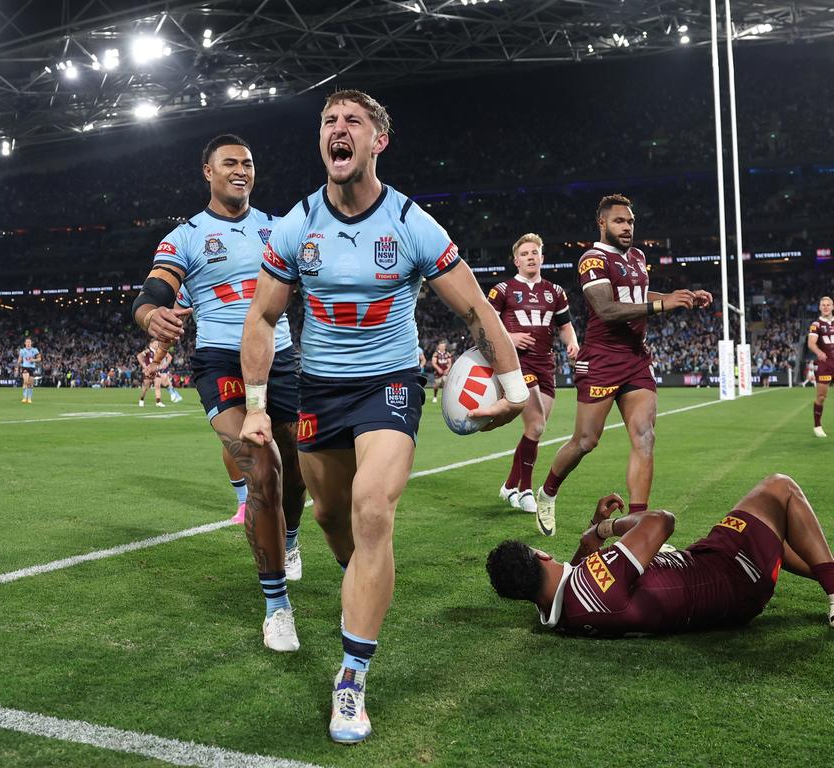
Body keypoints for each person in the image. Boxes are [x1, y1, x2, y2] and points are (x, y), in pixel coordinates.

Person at [239, 89, 527, 744]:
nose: (337, 130)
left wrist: (513, 387)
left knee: (373, 510)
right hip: (318, 390)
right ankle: (363, 581)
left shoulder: (411, 223)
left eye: (353, 122)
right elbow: (261, 317)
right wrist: (257, 408)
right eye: (328, 122)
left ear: (378, 142)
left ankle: (352, 676)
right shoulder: (296, 224)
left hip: (388, 386)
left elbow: (479, 310)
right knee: (332, 517)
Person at [131, 134, 306, 651]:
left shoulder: (279, 229)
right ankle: (276, 606)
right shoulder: (186, 237)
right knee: (260, 466)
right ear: (207, 172)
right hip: (221, 360)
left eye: (248, 163)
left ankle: (289, 539)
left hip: (283, 360)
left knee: (296, 469)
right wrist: (150, 318)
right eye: (230, 162)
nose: (241, 170)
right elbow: (154, 293)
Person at [533, 195, 712, 536]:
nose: (627, 227)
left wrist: (679, 296)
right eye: (619, 221)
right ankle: (547, 492)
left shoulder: (638, 258)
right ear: (602, 223)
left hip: (636, 359)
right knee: (586, 441)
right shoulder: (592, 259)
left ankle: (637, 529)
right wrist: (663, 307)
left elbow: (638, 296)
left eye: (630, 222)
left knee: (645, 437)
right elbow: (607, 309)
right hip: (600, 359)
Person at [487, 474, 834, 636]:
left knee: (769, 531)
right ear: (541, 554)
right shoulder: (594, 581)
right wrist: (604, 530)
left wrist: (591, 533)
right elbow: (662, 521)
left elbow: (574, 579)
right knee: (779, 489)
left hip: (713, 577)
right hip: (728, 578)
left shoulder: (553, 611)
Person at [489, 233, 579, 514]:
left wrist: (573, 342)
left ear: (542, 257)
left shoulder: (555, 292)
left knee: (534, 430)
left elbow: (565, 326)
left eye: (534, 252)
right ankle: (526, 490)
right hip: (516, 364)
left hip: (546, 365)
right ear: (516, 260)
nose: (530, 257)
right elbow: (487, 325)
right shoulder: (502, 289)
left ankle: (508, 486)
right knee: (537, 425)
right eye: (524, 253)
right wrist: (510, 339)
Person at [807, 296, 834, 438]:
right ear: (819, 307)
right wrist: (819, 352)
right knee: (822, 396)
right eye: (823, 305)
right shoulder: (816, 325)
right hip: (825, 364)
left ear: (832, 306)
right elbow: (811, 343)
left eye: (828, 304)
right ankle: (817, 426)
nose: (825, 307)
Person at [17, 337, 41, 403]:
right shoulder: (22, 350)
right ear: (25, 343)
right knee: (25, 381)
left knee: (30, 384)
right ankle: (24, 398)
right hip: (25, 367)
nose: (28, 343)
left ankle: (29, 398)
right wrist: (17, 367)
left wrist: (34, 360)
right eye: (27, 342)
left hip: (32, 368)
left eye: (29, 342)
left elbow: (39, 359)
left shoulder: (35, 350)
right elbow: (19, 359)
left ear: (31, 343)